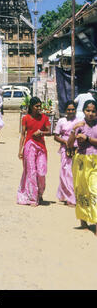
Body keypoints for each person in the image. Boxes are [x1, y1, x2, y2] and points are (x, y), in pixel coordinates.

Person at [68, 99, 97, 234]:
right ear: (84, 111)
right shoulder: (79, 125)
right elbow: (69, 144)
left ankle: (96, 223)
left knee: (94, 191)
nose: (91, 113)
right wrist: (74, 131)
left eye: (93, 111)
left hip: (95, 161)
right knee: (81, 190)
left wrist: (87, 139)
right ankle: (83, 221)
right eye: (88, 110)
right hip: (80, 161)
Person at [17, 97, 51, 207]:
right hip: (29, 146)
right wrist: (20, 150)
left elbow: (49, 131)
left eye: (39, 106)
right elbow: (23, 134)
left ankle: (40, 193)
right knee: (31, 172)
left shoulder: (44, 118)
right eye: (36, 106)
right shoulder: (25, 118)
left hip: (41, 147)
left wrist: (41, 132)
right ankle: (32, 197)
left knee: (41, 172)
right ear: (31, 107)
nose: (39, 108)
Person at [54, 100, 77, 207]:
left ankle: (67, 194)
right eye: (69, 109)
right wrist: (65, 142)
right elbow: (56, 136)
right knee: (66, 172)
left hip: (77, 149)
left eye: (73, 109)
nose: (71, 111)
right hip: (65, 149)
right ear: (66, 110)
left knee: (74, 173)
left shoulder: (79, 121)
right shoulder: (62, 121)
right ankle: (70, 198)